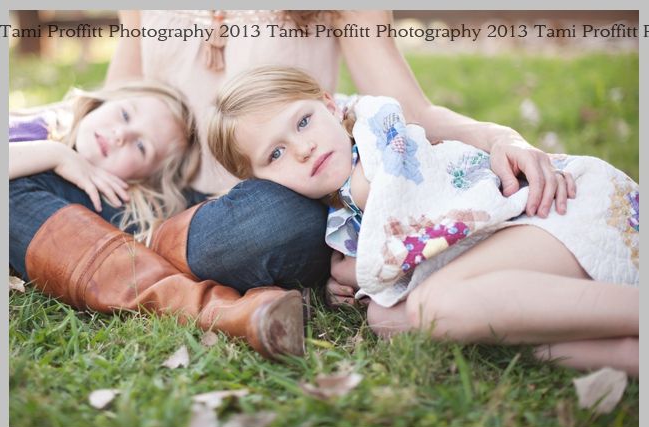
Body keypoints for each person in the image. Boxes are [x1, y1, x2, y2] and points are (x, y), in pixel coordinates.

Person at [103, 10, 576, 305]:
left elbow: (411, 110)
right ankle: (150, 248)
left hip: (280, 202)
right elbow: (113, 102)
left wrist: (498, 136)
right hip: (157, 194)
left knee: (274, 222)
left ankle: (134, 254)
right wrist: (66, 153)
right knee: (62, 184)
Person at [207, 66, 639, 376]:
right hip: (515, 247)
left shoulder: (377, 150)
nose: (303, 149)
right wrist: (349, 276)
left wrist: (356, 270)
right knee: (387, 320)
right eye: (276, 153)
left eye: (303, 122)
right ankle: (625, 353)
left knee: (431, 308)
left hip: (555, 210)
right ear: (262, 185)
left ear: (331, 106)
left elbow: (404, 225)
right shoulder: (341, 212)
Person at [9, 81, 305, 360]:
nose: (121, 135)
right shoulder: (41, 125)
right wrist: (57, 154)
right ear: (104, 100)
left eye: (141, 147)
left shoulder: (130, 200)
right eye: (125, 114)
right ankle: (216, 311)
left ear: (147, 177)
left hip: (119, 210)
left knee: (273, 214)